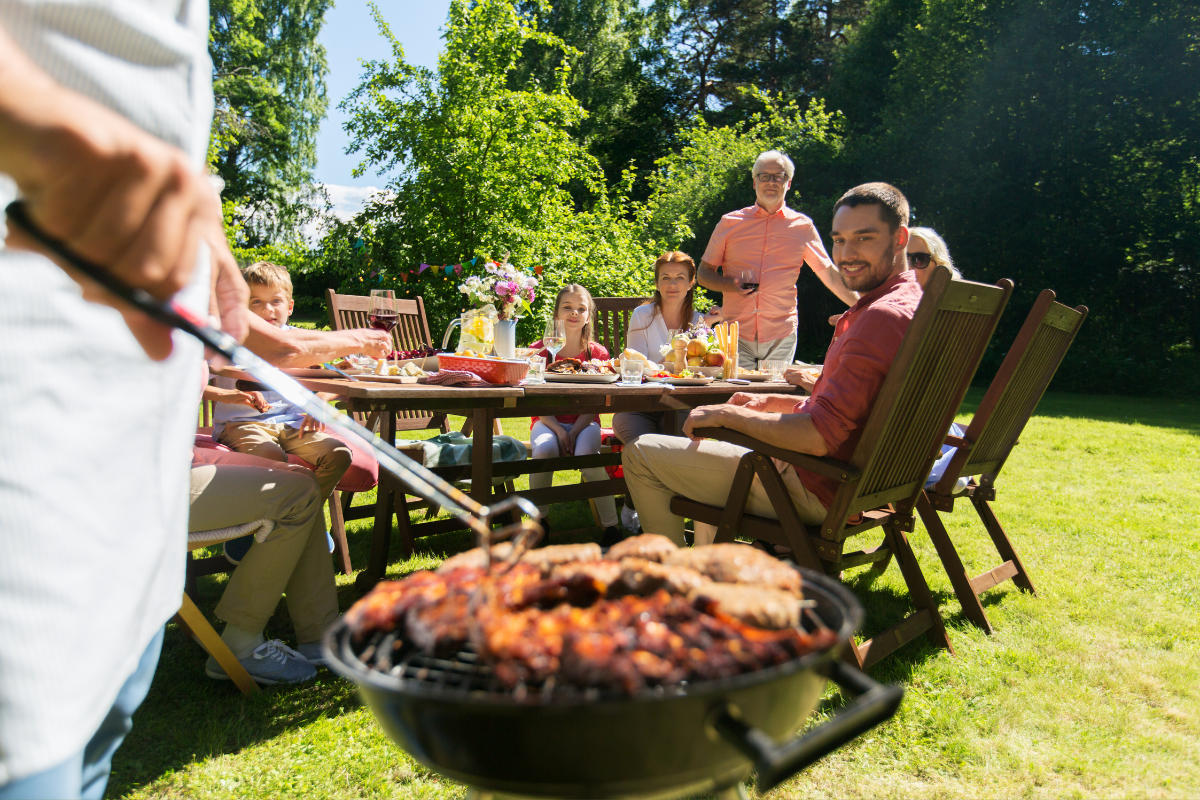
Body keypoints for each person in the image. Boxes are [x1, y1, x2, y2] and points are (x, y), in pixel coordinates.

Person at [0, 4, 247, 797]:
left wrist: (200, 236)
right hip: (23, 354)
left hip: (139, 431)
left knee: (99, 739)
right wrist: (39, 122)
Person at [623, 182, 920, 546]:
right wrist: (768, 404)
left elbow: (818, 435)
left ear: (900, 237)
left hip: (814, 485)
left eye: (864, 237)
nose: (846, 253)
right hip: (859, 483)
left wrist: (728, 417)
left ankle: (675, 579)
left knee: (640, 453)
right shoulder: (913, 305)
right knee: (705, 443)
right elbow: (847, 412)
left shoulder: (881, 317)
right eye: (839, 240)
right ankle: (705, 563)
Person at [189, 445, 339, 685]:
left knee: (303, 478)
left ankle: (318, 637)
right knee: (298, 495)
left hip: (181, 455)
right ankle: (240, 642)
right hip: (139, 476)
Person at [697, 150, 858, 369]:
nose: (771, 182)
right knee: (734, 396)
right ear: (755, 182)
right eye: (765, 176)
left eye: (779, 176)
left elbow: (828, 272)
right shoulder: (729, 223)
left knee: (768, 399)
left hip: (780, 335)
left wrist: (864, 305)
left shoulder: (802, 226)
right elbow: (704, 274)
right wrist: (731, 285)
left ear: (788, 183)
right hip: (735, 333)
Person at [211, 262, 352, 508]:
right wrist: (227, 394)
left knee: (339, 454)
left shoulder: (298, 341)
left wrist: (319, 401)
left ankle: (298, 516)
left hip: (292, 425)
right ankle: (293, 521)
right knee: (273, 458)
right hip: (242, 424)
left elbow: (339, 376)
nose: (267, 310)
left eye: (275, 301)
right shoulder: (230, 339)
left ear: (290, 307)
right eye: (256, 302)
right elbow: (198, 379)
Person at [527, 284, 621, 545]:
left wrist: (577, 429)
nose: (574, 313)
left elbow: (596, 400)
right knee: (545, 451)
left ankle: (611, 525)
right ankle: (540, 521)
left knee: (587, 456)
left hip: (585, 421)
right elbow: (533, 396)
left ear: (589, 315)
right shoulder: (540, 349)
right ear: (556, 313)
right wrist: (557, 429)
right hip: (546, 420)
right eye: (567, 307)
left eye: (581, 309)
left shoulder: (597, 353)